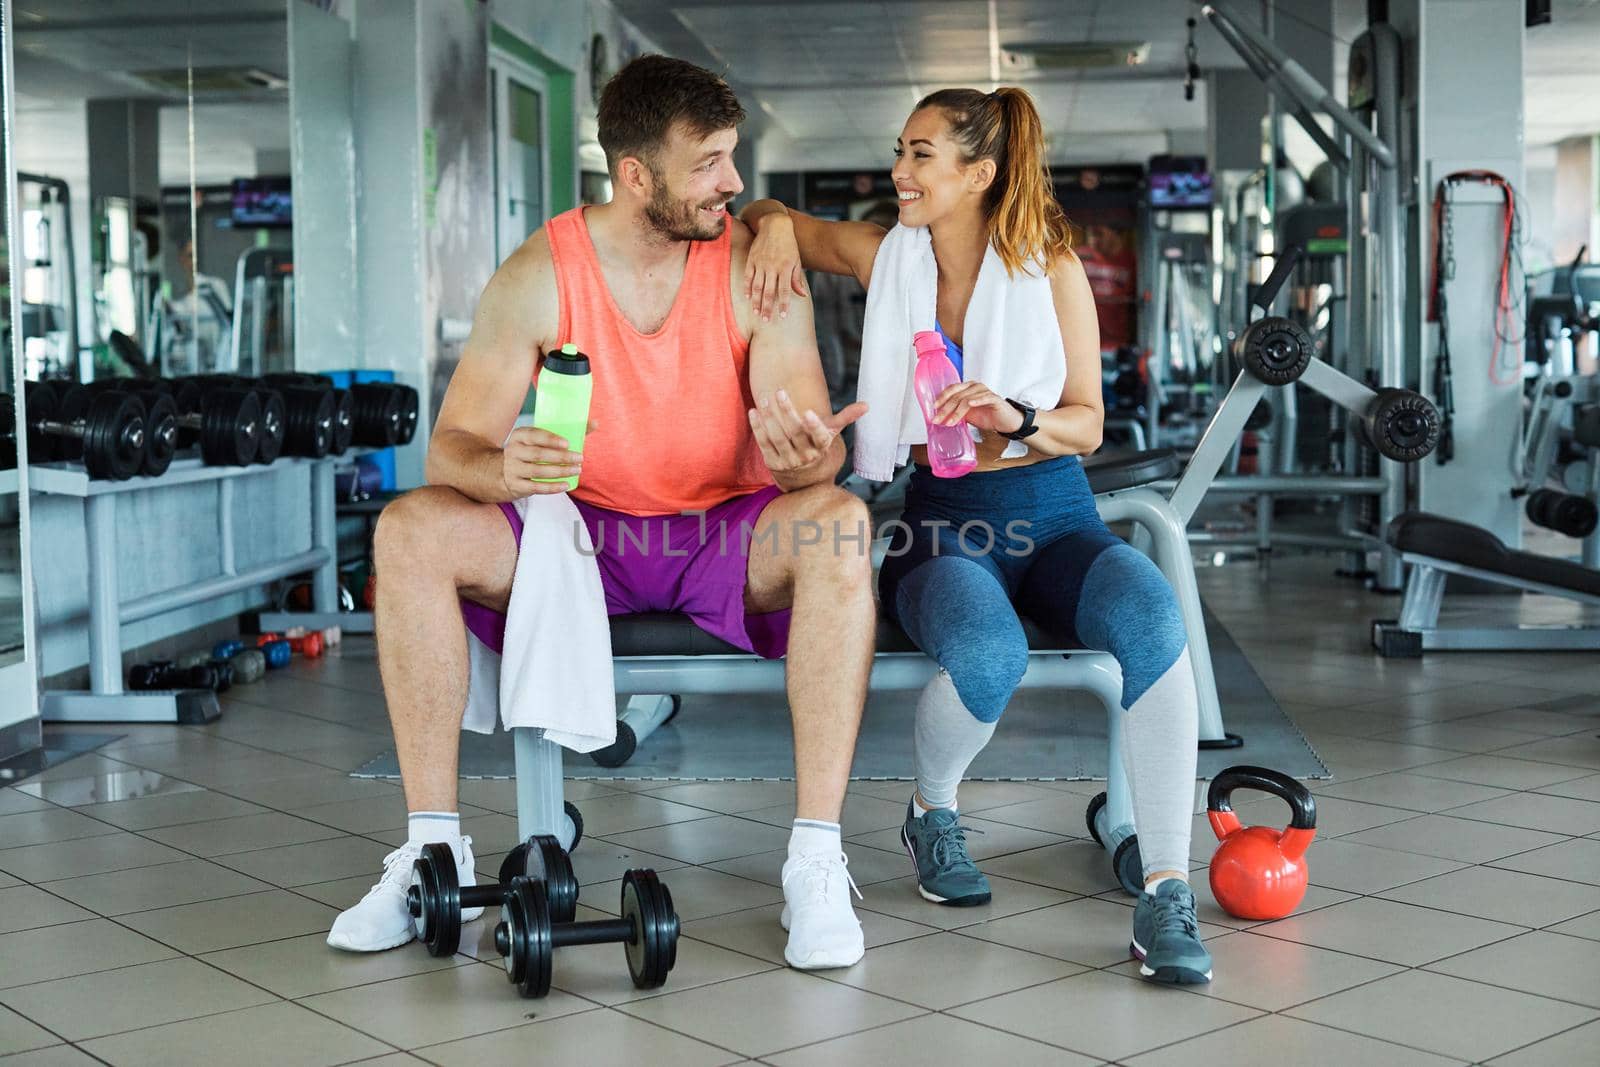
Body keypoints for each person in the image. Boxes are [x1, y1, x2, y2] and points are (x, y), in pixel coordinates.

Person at [328, 54, 876, 971]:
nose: (733, 183)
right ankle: (433, 851)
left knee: (842, 523)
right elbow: (450, 449)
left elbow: (819, 451)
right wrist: (506, 467)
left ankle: (815, 860)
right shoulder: (541, 271)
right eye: (708, 162)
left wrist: (807, 459)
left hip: (725, 533)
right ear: (635, 175)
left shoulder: (754, 266)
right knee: (409, 527)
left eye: (732, 158)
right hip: (579, 536)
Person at [741, 85, 1213, 984]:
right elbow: (774, 214)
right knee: (988, 655)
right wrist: (767, 229)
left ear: (978, 172)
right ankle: (934, 810)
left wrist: (1015, 414)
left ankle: (1165, 885)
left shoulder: (1053, 266)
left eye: (921, 154)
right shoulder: (889, 257)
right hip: (942, 529)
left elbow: (1089, 423)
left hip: (1057, 514)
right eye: (900, 150)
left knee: (1154, 623)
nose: (899, 170)